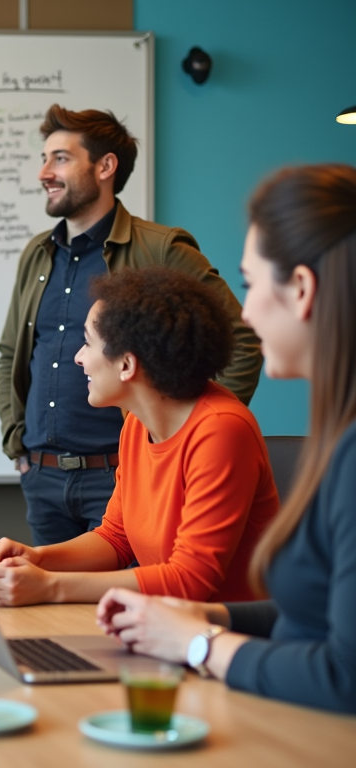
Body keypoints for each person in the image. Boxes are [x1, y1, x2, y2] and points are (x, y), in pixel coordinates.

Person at [96, 164, 356, 714]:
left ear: (302, 290)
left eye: (250, 284)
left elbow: (345, 675)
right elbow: (311, 618)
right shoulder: (340, 441)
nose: (246, 311)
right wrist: (206, 619)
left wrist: (198, 643)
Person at [0, 104, 263, 546]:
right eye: (43, 159)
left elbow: (241, 339)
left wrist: (197, 435)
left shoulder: (162, 249)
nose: (44, 172)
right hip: (41, 476)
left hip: (123, 475)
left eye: (60, 158)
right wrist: (16, 444)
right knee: (49, 608)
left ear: (105, 166)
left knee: (128, 608)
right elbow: (12, 352)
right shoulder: (36, 253)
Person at [0, 267, 278, 606]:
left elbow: (189, 580)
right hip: (164, 630)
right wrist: (36, 557)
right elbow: (116, 540)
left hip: (226, 642)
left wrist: (50, 586)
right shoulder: (136, 424)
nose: (78, 357)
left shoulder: (221, 430)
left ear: (126, 365)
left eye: (87, 342)